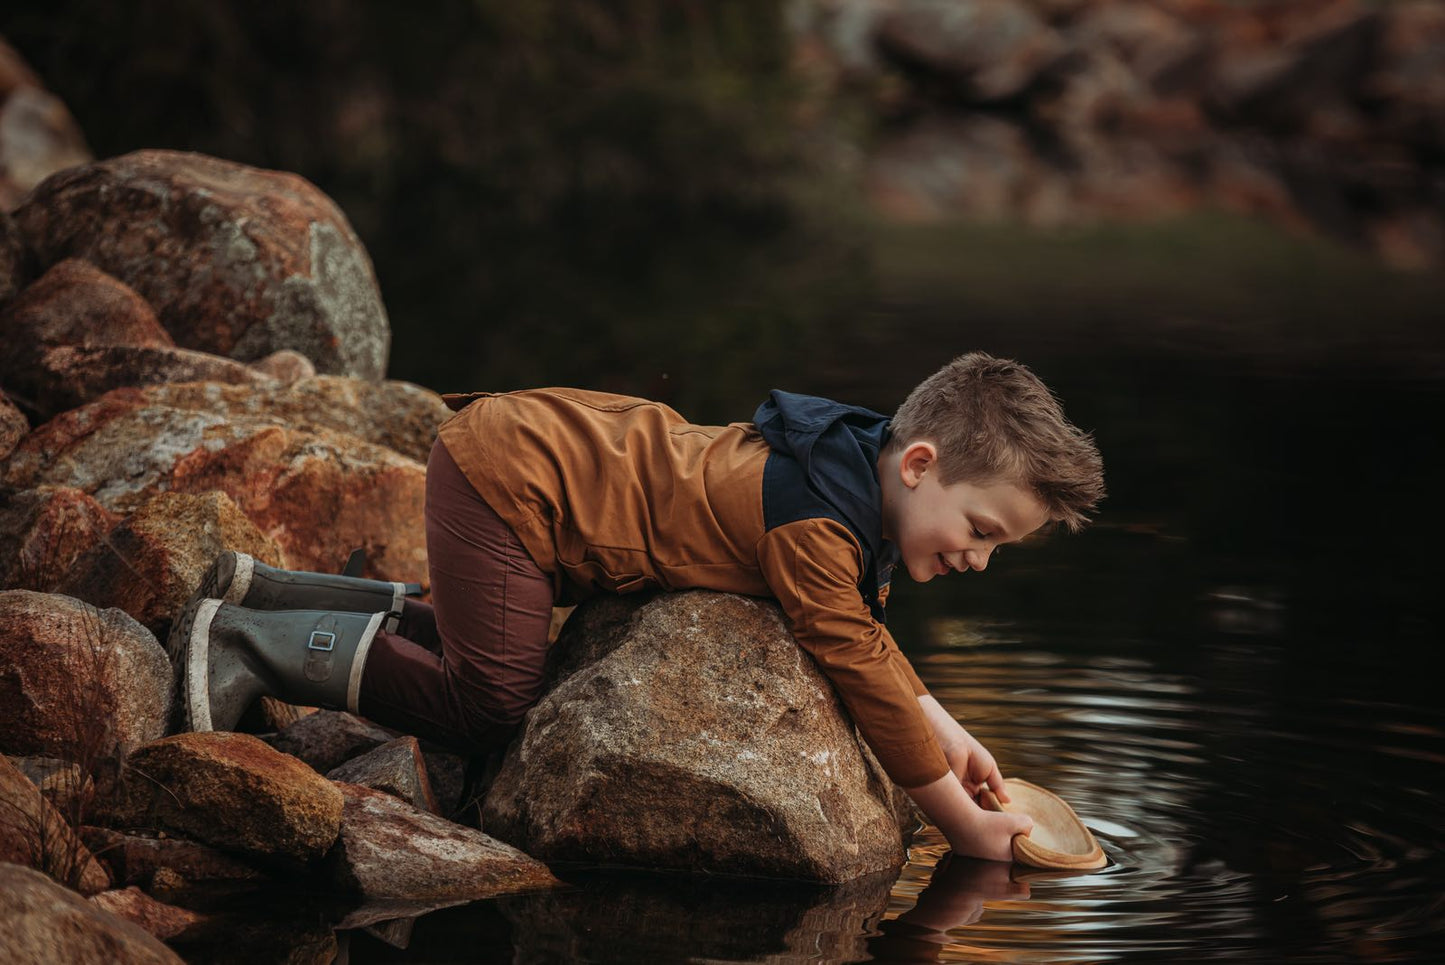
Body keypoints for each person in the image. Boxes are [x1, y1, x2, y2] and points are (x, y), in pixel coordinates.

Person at [168, 352, 1104, 862]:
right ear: (920, 465)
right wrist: (953, 818)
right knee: (492, 697)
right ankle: (249, 641)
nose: (980, 558)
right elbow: (853, 658)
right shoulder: (818, 522)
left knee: (488, 638)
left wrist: (941, 721)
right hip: (515, 480)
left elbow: (865, 629)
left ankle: (272, 589)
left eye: (996, 548)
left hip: (529, 467)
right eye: (981, 529)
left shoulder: (852, 481)